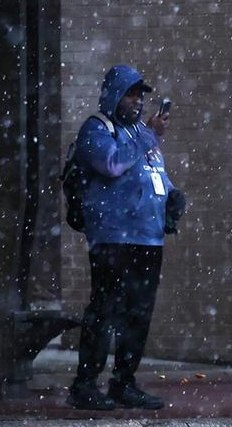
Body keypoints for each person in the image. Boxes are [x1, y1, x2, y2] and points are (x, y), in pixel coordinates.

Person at [66, 64, 182, 411]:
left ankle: (123, 382)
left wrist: (173, 197)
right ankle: (85, 384)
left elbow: (155, 174)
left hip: (148, 239)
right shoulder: (98, 129)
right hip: (114, 238)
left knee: (138, 313)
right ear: (115, 95)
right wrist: (150, 133)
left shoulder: (141, 137)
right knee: (105, 309)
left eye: (141, 96)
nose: (138, 102)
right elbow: (112, 165)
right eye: (132, 94)